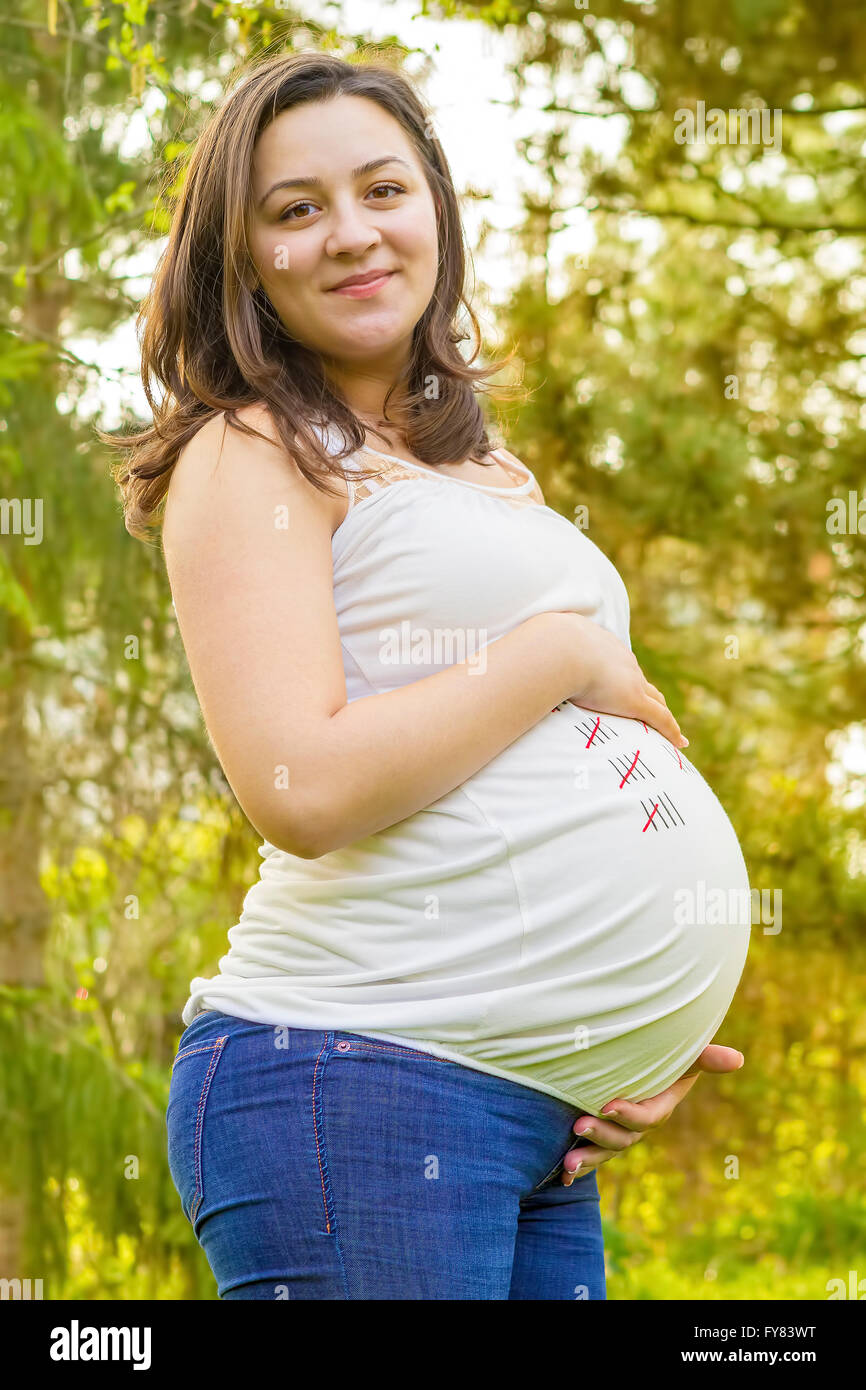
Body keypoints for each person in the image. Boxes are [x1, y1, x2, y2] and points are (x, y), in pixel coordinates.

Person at [107, 50, 749, 1300]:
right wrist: (559, 651)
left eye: (382, 190)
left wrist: (623, 1037)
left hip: (538, 1121)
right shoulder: (249, 448)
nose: (351, 233)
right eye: (295, 209)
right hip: (355, 1076)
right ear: (242, 258)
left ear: (438, 214)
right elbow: (300, 786)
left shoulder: (480, 467)